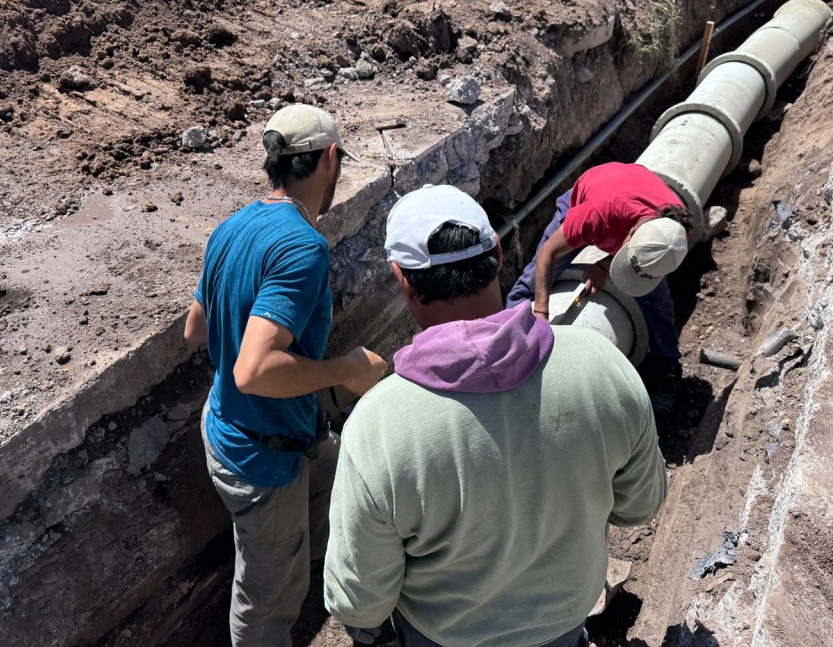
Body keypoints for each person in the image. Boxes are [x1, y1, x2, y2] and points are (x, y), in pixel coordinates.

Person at [324, 184, 667, 647]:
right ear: (500, 253)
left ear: (402, 279)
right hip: (562, 629)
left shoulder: (376, 426)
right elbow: (639, 507)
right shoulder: (604, 366)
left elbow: (358, 602)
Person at [183, 104, 388, 647]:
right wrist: (347, 369)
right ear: (328, 158)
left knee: (339, 474)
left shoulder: (234, 225)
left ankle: (326, 570)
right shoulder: (302, 247)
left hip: (236, 426)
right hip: (260, 459)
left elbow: (196, 328)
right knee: (267, 599)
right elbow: (254, 370)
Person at [505, 162, 693, 380]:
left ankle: (667, 367)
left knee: (658, 303)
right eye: (627, 259)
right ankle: (508, 349)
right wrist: (541, 312)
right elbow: (549, 253)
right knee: (529, 285)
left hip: (634, 187)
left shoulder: (673, 236)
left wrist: (604, 265)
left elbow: (646, 253)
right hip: (599, 188)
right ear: (631, 233)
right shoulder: (596, 216)